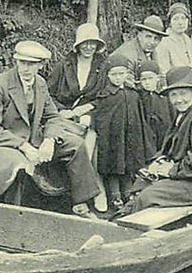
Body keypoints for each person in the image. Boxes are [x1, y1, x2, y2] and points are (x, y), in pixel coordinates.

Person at [0, 40, 101, 218]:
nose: (26, 69)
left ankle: (80, 203)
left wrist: (49, 140)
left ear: (41, 65)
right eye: (22, 63)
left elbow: (52, 116)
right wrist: (24, 146)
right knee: (19, 164)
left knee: (75, 144)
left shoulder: (40, 84)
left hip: (30, 136)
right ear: (16, 62)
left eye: (32, 64)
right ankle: (16, 216)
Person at [118, 66, 192, 215]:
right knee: (141, 184)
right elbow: (171, 147)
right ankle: (121, 218)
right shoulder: (186, 112)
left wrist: (170, 170)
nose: (178, 100)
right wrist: (158, 163)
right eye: (173, 95)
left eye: (183, 93)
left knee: (149, 195)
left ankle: (131, 229)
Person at [44, 22, 109, 211]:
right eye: (85, 43)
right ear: (78, 45)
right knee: (76, 139)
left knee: (91, 139)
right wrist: (61, 110)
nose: (89, 47)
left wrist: (88, 108)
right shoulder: (64, 65)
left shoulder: (103, 65)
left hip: (92, 114)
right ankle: (89, 190)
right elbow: (48, 94)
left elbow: (105, 95)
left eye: (93, 43)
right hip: (64, 115)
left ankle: (95, 190)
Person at [92, 53, 153, 210]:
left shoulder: (133, 94)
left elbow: (139, 116)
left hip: (131, 136)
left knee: (128, 164)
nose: (118, 78)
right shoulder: (105, 96)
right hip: (113, 138)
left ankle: (128, 192)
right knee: (114, 165)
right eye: (114, 74)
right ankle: (115, 195)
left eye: (121, 73)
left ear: (127, 74)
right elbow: (101, 118)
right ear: (108, 75)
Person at [109, 15, 167, 85]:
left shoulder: (152, 51)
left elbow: (160, 75)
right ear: (139, 35)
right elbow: (128, 84)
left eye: (156, 39)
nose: (152, 42)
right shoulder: (128, 54)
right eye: (148, 36)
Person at [137, 58, 175, 153]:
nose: (147, 82)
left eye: (150, 78)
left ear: (157, 78)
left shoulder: (165, 97)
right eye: (144, 79)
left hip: (164, 135)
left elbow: (172, 118)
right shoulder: (139, 98)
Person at [155, 2, 192, 74]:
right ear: (170, 22)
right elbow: (164, 71)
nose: (180, 22)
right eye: (176, 19)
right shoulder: (164, 42)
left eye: (183, 18)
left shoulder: (187, 39)